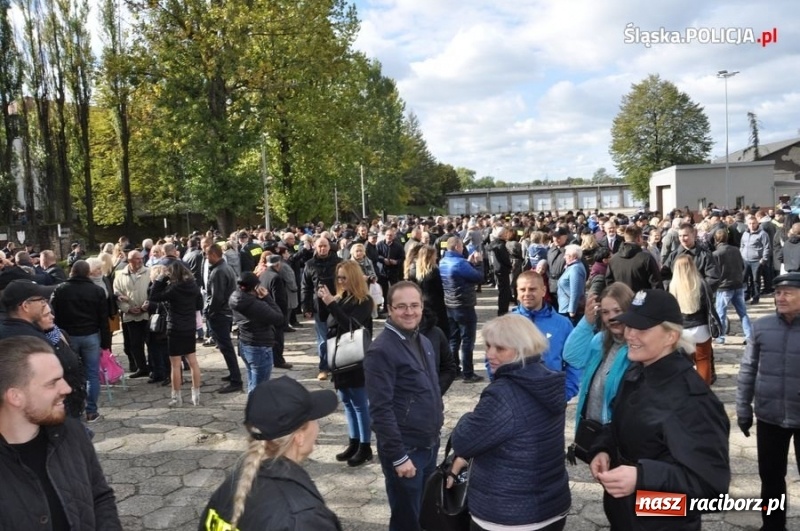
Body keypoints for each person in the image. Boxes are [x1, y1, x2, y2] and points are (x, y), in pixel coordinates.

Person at [590, 289, 730, 531]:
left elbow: (711, 491)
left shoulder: (692, 399)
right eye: (629, 325)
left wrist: (642, 478)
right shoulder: (637, 370)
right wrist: (603, 448)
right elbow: (622, 421)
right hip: (624, 517)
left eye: (641, 328)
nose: (630, 335)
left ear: (670, 337)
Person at [449, 314, 571, 531]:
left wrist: (468, 416)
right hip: (552, 506)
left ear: (521, 349)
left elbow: (463, 441)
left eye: (500, 348)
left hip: (508, 515)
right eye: (488, 346)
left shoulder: (503, 395)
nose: (489, 355)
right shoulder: (549, 380)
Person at [0, 337, 122, 529]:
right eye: (52, 383)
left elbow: (100, 497)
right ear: (15, 397)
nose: (66, 388)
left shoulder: (73, 433)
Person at [199, 376, 342, 530]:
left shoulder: (235, 484)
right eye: (314, 419)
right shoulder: (303, 517)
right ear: (299, 437)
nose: (317, 427)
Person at [364, 281, 444, 531]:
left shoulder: (423, 340)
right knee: (407, 519)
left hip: (429, 442)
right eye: (401, 306)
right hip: (406, 449)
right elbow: (380, 409)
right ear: (389, 309)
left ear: (422, 307)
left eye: (414, 305)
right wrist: (399, 457)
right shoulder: (381, 350)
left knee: (424, 513)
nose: (409, 312)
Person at [736, 272, 800, 531]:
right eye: (777, 292)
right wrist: (742, 407)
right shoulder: (761, 327)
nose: (780, 297)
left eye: (787, 292)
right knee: (771, 478)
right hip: (769, 415)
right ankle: (772, 525)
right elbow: (748, 368)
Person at [563, 283, 634, 460]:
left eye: (618, 311)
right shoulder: (600, 340)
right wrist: (587, 323)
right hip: (595, 431)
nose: (612, 317)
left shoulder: (637, 349)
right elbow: (572, 356)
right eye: (605, 312)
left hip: (621, 438)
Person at [317, 260, 374, 467]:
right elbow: (328, 321)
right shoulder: (341, 297)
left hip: (355, 357)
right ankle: (354, 441)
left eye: (344, 278)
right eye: (338, 277)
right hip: (339, 356)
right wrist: (323, 301)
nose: (340, 281)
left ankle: (365, 446)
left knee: (359, 403)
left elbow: (350, 325)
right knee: (347, 402)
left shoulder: (364, 300)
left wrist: (332, 304)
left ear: (354, 278)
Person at [50, 260, 109, 423]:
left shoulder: (61, 290)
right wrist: (106, 342)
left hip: (68, 337)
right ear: (87, 273)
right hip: (90, 335)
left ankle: (73, 410)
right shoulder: (96, 291)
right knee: (92, 374)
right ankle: (91, 411)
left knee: (70, 373)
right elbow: (103, 318)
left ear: (72, 271)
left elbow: (52, 315)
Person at [511, 270, 580, 400]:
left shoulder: (563, 324)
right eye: (522, 289)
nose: (527, 294)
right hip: (516, 398)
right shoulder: (507, 324)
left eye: (532, 289)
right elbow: (493, 359)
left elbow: (575, 360)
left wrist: (566, 392)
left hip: (552, 397)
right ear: (517, 291)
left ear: (543, 290)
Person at [148, 261, 203, 406]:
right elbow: (200, 305)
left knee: (175, 364)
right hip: (190, 326)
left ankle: (176, 397)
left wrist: (161, 278)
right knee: (193, 361)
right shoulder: (194, 286)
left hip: (175, 327)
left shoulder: (173, 289)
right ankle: (196, 395)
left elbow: (153, 296)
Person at [230, 272, 285, 393]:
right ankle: (255, 410)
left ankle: (252, 408)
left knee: (252, 383)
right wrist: (267, 297)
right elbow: (279, 318)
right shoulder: (256, 305)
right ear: (255, 287)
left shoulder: (235, 297)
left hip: (245, 343)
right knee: (260, 388)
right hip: (259, 346)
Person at [440, 236, 485, 383]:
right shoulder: (460, 263)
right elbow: (479, 277)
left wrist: (468, 263)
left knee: (454, 339)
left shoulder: (443, 261)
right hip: (464, 305)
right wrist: (478, 263)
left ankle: (455, 370)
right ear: (458, 247)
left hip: (450, 304)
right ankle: (468, 373)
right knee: (467, 341)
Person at [668, 255, 718, 385]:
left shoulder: (672, 287)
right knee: (703, 360)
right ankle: (704, 392)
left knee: (685, 363)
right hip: (701, 328)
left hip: (683, 330)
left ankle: (688, 390)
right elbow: (709, 305)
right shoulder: (700, 283)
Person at [301, 237, 341, 381]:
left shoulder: (339, 262)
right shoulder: (309, 264)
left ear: (329, 247)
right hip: (320, 307)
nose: (322, 249)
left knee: (338, 338)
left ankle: (337, 366)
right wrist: (306, 307)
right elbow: (306, 287)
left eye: (325, 246)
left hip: (338, 305)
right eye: (320, 246)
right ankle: (323, 367)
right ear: (315, 248)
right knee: (323, 340)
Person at [206, 243, 243, 393]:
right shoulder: (224, 268)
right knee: (225, 347)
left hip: (220, 314)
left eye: (207, 254)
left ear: (214, 255)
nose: (206, 257)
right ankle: (233, 374)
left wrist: (209, 312)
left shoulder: (218, 271)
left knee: (226, 347)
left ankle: (236, 379)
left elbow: (217, 297)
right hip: (225, 312)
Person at [113, 250, 152, 377]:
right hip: (130, 316)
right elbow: (117, 294)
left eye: (141, 258)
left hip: (147, 314)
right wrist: (127, 308)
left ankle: (154, 366)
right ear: (129, 261)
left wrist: (147, 305)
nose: (140, 260)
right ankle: (141, 367)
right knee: (135, 344)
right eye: (137, 259)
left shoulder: (149, 272)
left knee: (151, 342)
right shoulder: (120, 276)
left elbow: (155, 291)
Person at [713, 228, 753, 345]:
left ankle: (720, 336)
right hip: (737, 284)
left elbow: (714, 272)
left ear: (715, 240)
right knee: (743, 313)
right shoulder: (736, 250)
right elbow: (742, 266)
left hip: (724, 286)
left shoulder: (716, 254)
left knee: (721, 313)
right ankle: (749, 335)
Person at [556, 244, 586, 324]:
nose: (564, 257)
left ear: (574, 256)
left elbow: (575, 291)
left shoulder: (576, 268)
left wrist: (572, 310)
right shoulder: (571, 267)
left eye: (566, 255)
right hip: (565, 307)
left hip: (569, 311)